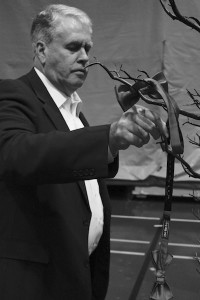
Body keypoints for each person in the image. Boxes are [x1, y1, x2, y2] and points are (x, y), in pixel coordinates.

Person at [0, 4, 168, 300]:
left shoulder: (74, 112)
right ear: (41, 50)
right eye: (73, 47)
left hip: (79, 273)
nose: (85, 57)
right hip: (38, 282)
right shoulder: (12, 93)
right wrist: (108, 136)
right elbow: (17, 154)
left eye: (88, 48)